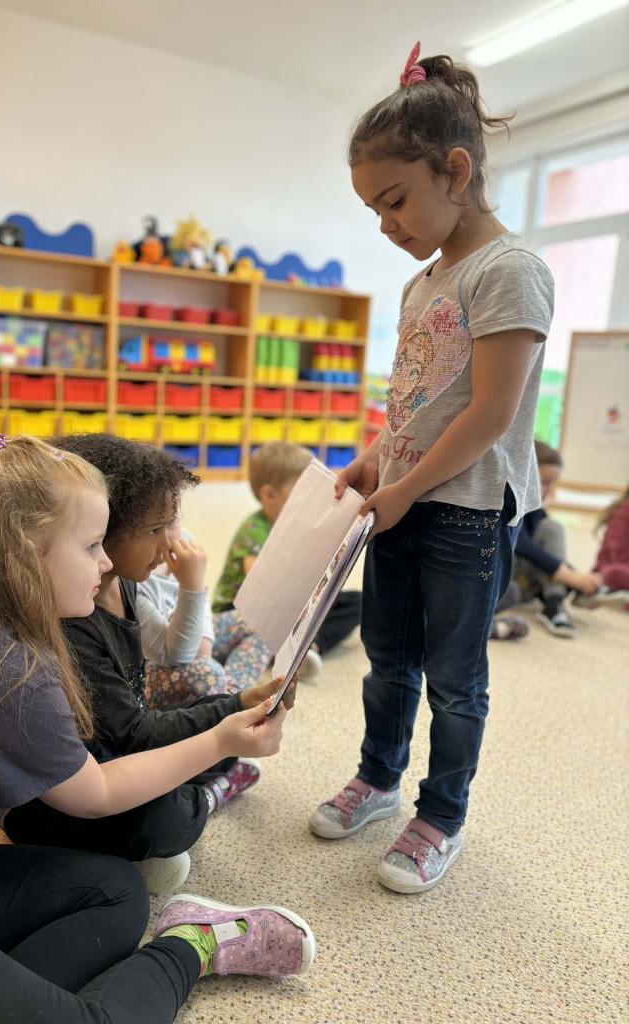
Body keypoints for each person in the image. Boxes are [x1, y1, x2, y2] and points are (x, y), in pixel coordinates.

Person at [0, 433, 315, 1024]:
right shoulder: (4, 666)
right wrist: (221, 739)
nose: (105, 564)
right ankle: (195, 947)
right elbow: (95, 793)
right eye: (92, 546)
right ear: (24, 555)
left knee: (117, 891)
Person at [308, 43, 555, 893]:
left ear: (456, 170)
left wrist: (407, 490)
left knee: (454, 680)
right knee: (387, 659)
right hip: (404, 503)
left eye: (395, 199)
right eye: (373, 208)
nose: (386, 223)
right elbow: (417, 408)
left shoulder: (509, 271)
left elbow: (490, 415)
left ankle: (440, 815)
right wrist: (374, 462)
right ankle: (378, 779)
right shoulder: (423, 283)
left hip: (467, 513)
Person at [3, 434, 291, 895]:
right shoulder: (71, 621)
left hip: (114, 753)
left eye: (169, 526)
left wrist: (238, 703)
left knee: (218, 741)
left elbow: (168, 664)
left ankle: (202, 785)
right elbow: (133, 737)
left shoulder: (126, 585)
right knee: (167, 816)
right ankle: (208, 798)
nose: (169, 543)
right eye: (155, 529)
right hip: (60, 794)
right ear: (103, 529)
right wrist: (226, 718)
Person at [213, 441, 363, 677]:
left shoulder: (300, 527)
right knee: (260, 626)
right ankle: (285, 647)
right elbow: (260, 584)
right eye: (303, 492)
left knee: (356, 602)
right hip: (243, 609)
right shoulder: (254, 529)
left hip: (287, 606)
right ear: (269, 495)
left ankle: (310, 647)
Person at [137, 517, 273, 706]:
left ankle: (228, 698)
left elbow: (201, 602)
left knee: (262, 622)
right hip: (151, 667)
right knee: (209, 674)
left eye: (172, 521)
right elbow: (177, 656)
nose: (166, 540)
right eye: (153, 529)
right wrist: (191, 585)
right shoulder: (131, 577)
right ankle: (225, 705)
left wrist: (206, 640)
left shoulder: (183, 540)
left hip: (189, 638)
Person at [493, 440, 601, 638]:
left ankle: (554, 602)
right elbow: (524, 546)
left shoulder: (536, 511)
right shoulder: (504, 502)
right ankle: (562, 594)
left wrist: (576, 577)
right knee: (512, 590)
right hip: (503, 579)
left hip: (527, 584)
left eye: (552, 484)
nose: (549, 491)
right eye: (544, 483)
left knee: (551, 528)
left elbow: (548, 554)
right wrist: (571, 578)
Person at [574, 484, 629, 609]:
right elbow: (618, 555)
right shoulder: (625, 512)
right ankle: (601, 592)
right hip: (611, 569)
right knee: (615, 573)